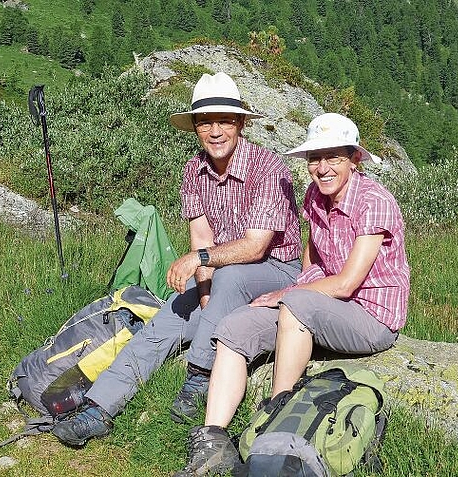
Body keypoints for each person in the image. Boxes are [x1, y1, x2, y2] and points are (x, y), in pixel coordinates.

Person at [52, 72, 302, 447]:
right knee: (165, 322)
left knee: (231, 278)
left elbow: (255, 247)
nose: (215, 131)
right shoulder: (193, 171)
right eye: (205, 122)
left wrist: (200, 263)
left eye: (224, 121)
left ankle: (198, 374)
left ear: (241, 124)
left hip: (275, 270)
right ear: (195, 127)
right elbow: (202, 237)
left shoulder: (268, 168)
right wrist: (205, 296)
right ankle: (98, 408)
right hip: (221, 273)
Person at [174, 113, 410, 476]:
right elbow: (313, 255)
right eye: (315, 159)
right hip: (322, 306)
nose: (322, 168)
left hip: (370, 315)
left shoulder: (373, 201)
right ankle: (213, 440)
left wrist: (288, 294)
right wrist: (292, 291)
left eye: (334, 157)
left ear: (354, 159)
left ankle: (275, 417)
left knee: (296, 304)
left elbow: (347, 283)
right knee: (235, 327)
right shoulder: (315, 195)